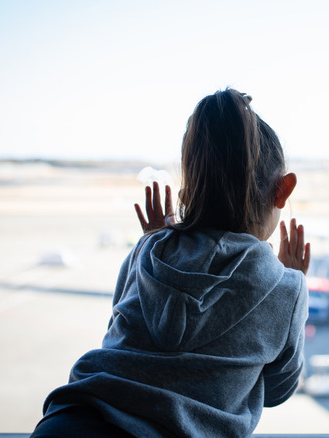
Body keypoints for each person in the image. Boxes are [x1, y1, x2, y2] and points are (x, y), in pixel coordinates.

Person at [31, 89, 310, 437]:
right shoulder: (285, 287)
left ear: (191, 184)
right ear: (283, 190)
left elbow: (121, 336)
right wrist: (293, 282)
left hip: (70, 422)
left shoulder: (148, 251)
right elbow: (278, 390)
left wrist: (154, 243)